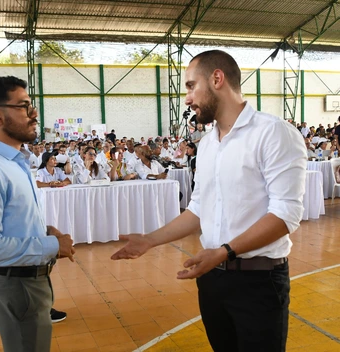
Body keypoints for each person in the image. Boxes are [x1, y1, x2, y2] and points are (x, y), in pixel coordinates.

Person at [111, 50, 307, 352]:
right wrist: (150, 240)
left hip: (258, 280)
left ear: (217, 78)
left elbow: (285, 215)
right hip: (212, 279)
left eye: (191, 86)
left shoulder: (273, 133)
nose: (187, 98)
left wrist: (224, 251)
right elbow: (199, 209)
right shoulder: (208, 145)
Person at [0, 76, 75, 352]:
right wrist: (52, 245)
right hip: (16, 285)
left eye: (31, 105)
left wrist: (45, 231)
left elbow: (15, 220)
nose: (34, 113)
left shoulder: (14, 162)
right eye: (23, 106)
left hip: (28, 281)